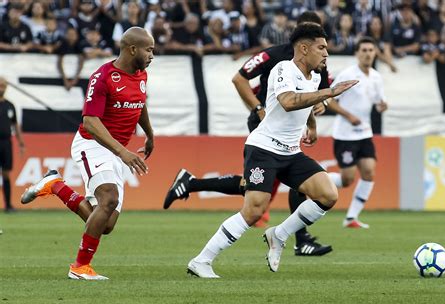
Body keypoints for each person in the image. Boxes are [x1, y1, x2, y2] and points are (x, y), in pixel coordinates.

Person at [186, 23, 358, 278]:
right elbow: (289, 102)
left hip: (291, 152)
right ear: (303, 48)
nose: (326, 54)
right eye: (321, 47)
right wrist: (330, 93)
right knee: (254, 209)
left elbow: (307, 105)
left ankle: (279, 234)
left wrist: (312, 126)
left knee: (327, 195)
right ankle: (202, 261)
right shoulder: (283, 68)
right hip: (263, 148)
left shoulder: (316, 77)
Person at [164, 12, 333, 257]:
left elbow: (315, 94)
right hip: (266, 123)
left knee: (286, 184)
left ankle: (191, 183)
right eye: (319, 42)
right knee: (257, 192)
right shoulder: (275, 56)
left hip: (291, 133)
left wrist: (316, 118)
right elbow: (239, 78)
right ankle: (298, 238)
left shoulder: (318, 66)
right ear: (302, 40)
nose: (325, 49)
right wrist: (258, 108)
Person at [20, 27, 155, 280]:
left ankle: (56, 186)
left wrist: (149, 133)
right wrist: (123, 152)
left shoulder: (141, 74)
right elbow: (91, 121)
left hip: (116, 150)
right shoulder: (102, 77)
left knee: (106, 224)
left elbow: (140, 101)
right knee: (109, 201)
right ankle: (80, 267)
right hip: (92, 144)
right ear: (132, 49)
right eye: (149, 49)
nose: (152, 55)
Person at [327, 37, 388, 229]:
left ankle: (351, 217)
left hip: (364, 133)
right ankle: (314, 179)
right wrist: (348, 115)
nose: (368, 53)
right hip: (345, 135)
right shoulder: (348, 74)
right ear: (357, 53)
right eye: (364, 50)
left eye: (371, 50)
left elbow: (379, 101)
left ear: (375, 53)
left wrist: (382, 105)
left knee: (369, 172)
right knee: (347, 179)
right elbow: (330, 99)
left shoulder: (377, 77)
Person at [0, 78, 25, 213]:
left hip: (6, 142)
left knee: (6, 174)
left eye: (4, 85)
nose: (2, 88)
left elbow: (15, 125)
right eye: (0, 85)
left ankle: (8, 205)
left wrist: (21, 143)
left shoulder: (10, 105)